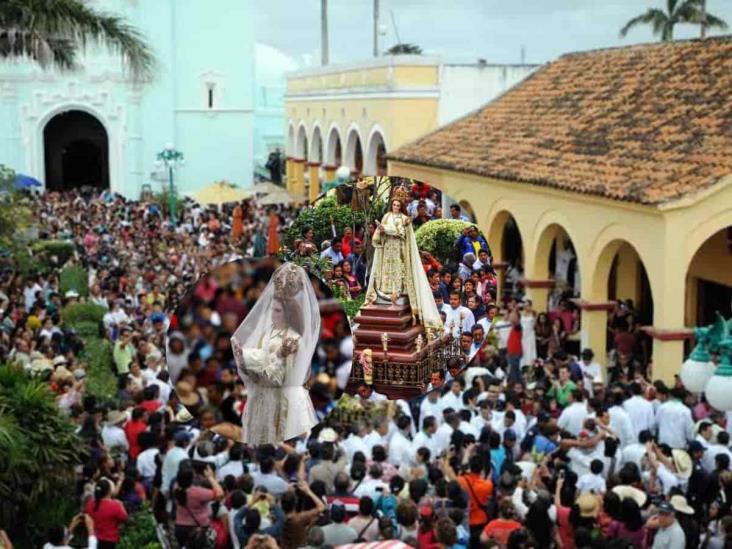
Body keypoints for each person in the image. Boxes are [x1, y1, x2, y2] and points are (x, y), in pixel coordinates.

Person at [231, 263, 320, 444]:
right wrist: (244, 358)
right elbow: (261, 357)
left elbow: (278, 377)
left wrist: (273, 357)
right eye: (272, 309)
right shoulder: (268, 332)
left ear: (288, 313)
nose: (272, 314)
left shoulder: (293, 340)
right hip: (263, 397)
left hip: (283, 399)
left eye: (277, 311)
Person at [364, 192, 442, 331]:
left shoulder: (405, 219)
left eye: (398, 205)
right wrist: (380, 230)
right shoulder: (386, 216)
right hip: (387, 249)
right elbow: (379, 233)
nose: (395, 207)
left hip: (399, 250)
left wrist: (386, 229)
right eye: (393, 205)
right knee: (386, 270)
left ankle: (398, 290)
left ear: (401, 207)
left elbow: (400, 232)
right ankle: (385, 290)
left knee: (399, 270)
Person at [173, 465, 224, 548]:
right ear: (191, 479)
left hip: (180, 529)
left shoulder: (176, 488)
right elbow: (220, 494)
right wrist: (210, 477)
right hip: (196, 531)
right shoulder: (197, 493)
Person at [83, 478, 128, 549]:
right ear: (109, 491)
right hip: (110, 541)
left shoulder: (90, 505)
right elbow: (124, 518)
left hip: (94, 540)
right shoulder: (116, 505)